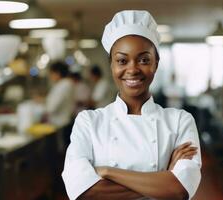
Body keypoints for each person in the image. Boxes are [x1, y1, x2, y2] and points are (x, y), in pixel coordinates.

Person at [62, 10, 201, 200]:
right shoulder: (88, 122)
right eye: (122, 61)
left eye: (144, 60)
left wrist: (107, 172)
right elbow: (83, 192)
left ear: (156, 63)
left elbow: (179, 190)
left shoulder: (180, 121)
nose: (133, 69)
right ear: (111, 65)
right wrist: (162, 178)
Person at [46, 61, 75, 129]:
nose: (50, 76)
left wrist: (44, 108)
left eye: (51, 73)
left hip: (60, 124)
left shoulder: (63, 85)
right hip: (65, 122)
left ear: (57, 73)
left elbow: (51, 108)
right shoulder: (67, 83)